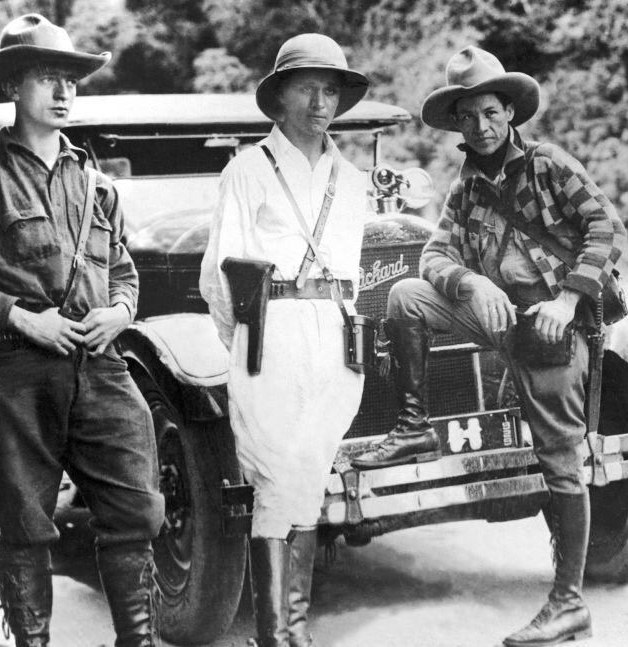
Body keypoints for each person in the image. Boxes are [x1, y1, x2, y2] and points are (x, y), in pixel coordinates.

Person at [350, 46, 626, 646]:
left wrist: (568, 302)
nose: (481, 126)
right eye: (469, 115)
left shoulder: (549, 165)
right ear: (458, 124)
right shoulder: (466, 187)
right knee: (406, 296)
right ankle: (414, 423)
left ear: (510, 113)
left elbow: (607, 228)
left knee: (560, 462)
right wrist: (470, 281)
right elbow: (433, 255)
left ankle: (569, 603)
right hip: (496, 317)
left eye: (491, 111)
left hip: (555, 323)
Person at [0, 13, 165, 647]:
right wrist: (19, 317)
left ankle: (137, 641)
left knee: (136, 511)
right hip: (17, 369)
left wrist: (121, 312)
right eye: (47, 77)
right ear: (14, 86)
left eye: (71, 79)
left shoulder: (96, 183)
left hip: (100, 366)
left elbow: (124, 271)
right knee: (25, 523)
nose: (64, 92)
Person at [199, 33, 370, 647]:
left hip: (333, 339)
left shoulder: (350, 180)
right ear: (279, 98)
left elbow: (352, 279)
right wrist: (248, 343)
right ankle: (279, 635)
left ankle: (289, 630)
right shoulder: (247, 169)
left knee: (309, 475)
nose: (319, 103)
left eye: (330, 90)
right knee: (276, 478)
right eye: (306, 88)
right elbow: (220, 275)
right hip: (268, 335)